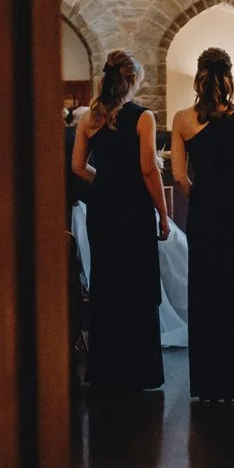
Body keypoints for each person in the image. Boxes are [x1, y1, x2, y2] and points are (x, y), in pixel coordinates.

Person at [72, 50, 169, 390]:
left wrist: (106, 181)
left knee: (108, 281)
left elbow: (78, 167)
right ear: (132, 81)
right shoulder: (143, 118)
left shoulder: (89, 118)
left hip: (102, 209)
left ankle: (106, 370)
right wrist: (163, 214)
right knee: (138, 286)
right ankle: (139, 371)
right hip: (134, 209)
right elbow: (147, 170)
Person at [171, 46, 234, 400]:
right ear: (228, 78)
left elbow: (179, 178)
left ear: (198, 77)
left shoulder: (181, 119)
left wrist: (204, 198)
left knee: (207, 294)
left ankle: (209, 382)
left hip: (205, 216)